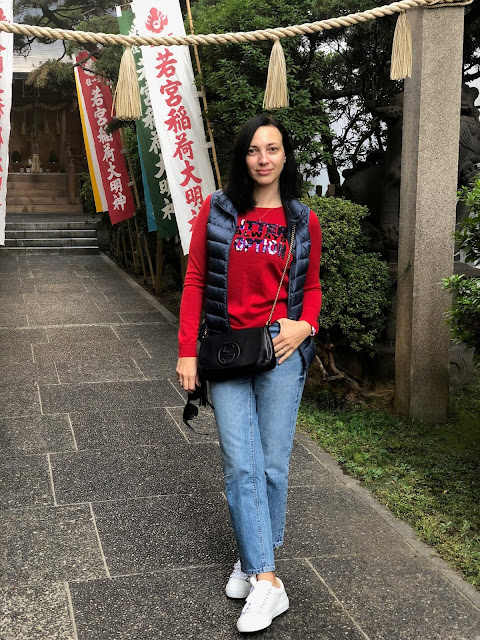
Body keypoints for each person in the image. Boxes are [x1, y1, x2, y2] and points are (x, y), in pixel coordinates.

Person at [176, 115, 322, 634]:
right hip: (226, 351)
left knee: (273, 467)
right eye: (254, 150)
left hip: (282, 349)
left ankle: (252, 559)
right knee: (242, 464)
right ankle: (267, 580)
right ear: (243, 158)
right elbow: (195, 280)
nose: (264, 159)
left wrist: (305, 327)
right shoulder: (218, 210)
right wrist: (187, 351)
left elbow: (312, 287)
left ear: (285, 156)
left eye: (273, 149)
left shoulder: (302, 219)